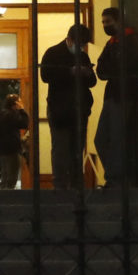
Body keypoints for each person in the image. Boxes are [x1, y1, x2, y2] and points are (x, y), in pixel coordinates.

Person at [93, 7, 138, 190]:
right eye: (103, 22)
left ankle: (117, 179)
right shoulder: (113, 43)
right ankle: (115, 176)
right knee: (102, 139)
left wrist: (112, 70)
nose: (105, 26)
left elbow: (111, 67)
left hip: (124, 95)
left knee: (115, 138)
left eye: (108, 22)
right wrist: (113, 69)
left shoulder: (130, 41)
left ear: (119, 21)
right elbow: (102, 69)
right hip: (114, 95)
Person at [39, 23, 96, 190]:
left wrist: (87, 73)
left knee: (77, 150)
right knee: (61, 149)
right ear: (69, 40)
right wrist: (70, 72)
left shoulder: (83, 56)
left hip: (79, 109)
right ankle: (61, 185)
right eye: (80, 44)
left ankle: (76, 185)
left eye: (84, 45)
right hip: (60, 109)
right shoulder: (53, 53)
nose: (81, 48)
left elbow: (92, 81)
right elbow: (45, 76)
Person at [0, 92, 31, 190]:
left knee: (5, 177)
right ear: (15, 104)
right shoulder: (11, 115)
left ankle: (0, 196)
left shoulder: (2, 114)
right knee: (11, 179)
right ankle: (7, 198)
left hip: (2, 150)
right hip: (12, 150)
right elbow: (25, 123)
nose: (21, 103)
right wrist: (22, 110)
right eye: (19, 102)